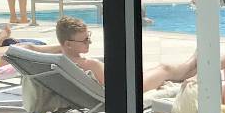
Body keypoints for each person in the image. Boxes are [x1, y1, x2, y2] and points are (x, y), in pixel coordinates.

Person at [47, 15, 199, 92]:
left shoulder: (61, 58)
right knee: (165, 69)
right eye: (85, 40)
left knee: (161, 69)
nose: (89, 42)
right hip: (129, 89)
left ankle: (193, 66)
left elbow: (37, 48)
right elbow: (115, 87)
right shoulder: (90, 64)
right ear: (68, 44)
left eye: (89, 37)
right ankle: (193, 63)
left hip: (124, 82)